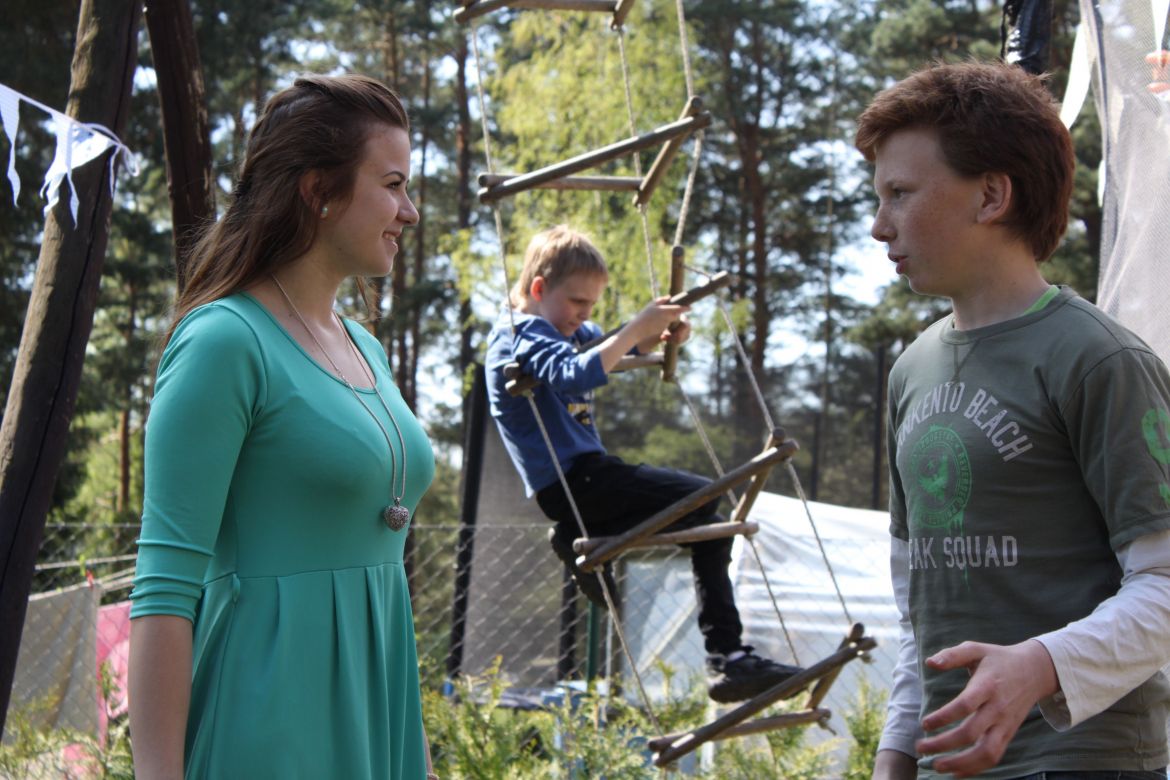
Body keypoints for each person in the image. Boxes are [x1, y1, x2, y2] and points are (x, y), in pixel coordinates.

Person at [856, 61, 1170, 779]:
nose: (880, 227)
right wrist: (897, 756)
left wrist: (1042, 663)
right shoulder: (911, 372)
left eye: (900, 193)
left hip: (1085, 763)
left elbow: (1166, 587)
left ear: (992, 194)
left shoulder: (1099, 360)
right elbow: (919, 615)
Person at [127, 74, 439, 779]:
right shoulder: (223, 342)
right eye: (392, 185)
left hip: (377, 727)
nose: (410, 211)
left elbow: (379, 590)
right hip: (264, 731)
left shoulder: (367, 347)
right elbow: (164, 590)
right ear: (319, 190)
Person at [484, 225, 803, 703]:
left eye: (591, 305)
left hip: (588, 480)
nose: (585, 315)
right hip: (577, 483)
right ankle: (724, 654)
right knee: (705, 496)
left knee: (710, 524)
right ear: (538, 289)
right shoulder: (523, 335)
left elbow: (614, 346)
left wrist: (653, 336)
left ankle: (729, 657)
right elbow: (576, 373)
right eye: (577, 303)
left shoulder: (559, 328)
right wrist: (637, 326)